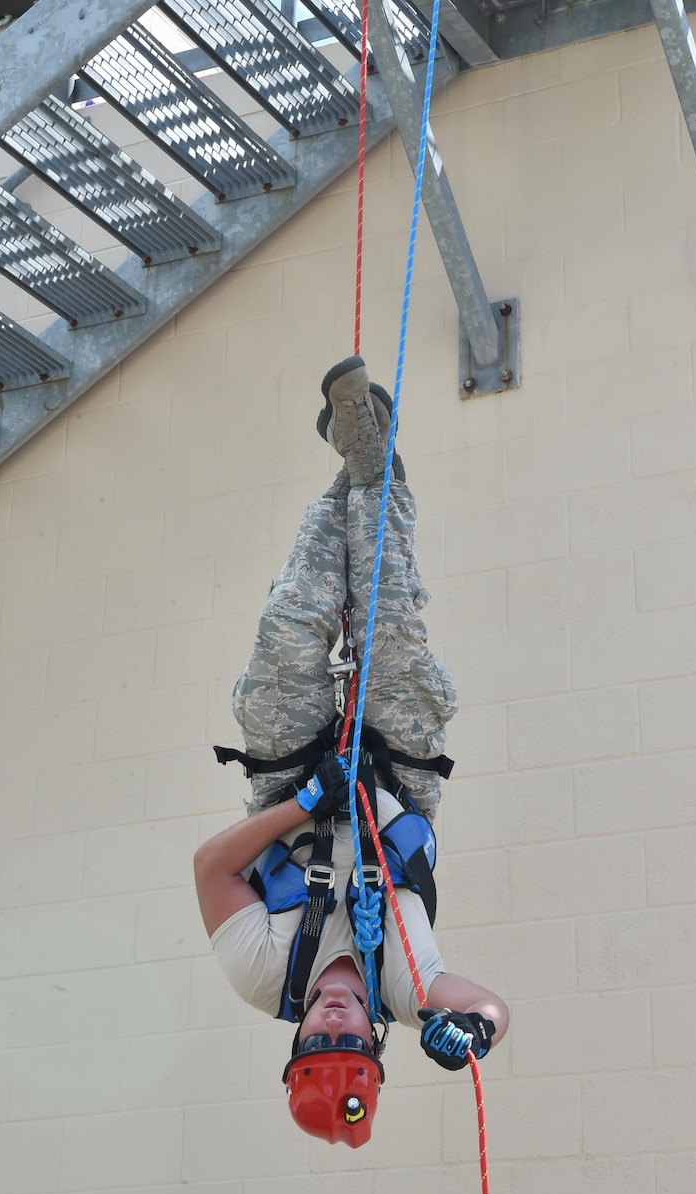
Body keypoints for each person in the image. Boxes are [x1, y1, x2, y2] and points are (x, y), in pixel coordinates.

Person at [193, 357, 509, 1148]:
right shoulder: (404, 989)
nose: (333, 1023)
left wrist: (305, 801)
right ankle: (368, 465)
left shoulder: (263, 975)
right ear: (373, 1042)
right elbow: (488, 1009)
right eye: (349, 1042)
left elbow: (211, 868)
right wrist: (470, 1034)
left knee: (292, 621)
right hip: (397, 781)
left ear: (296, 1043)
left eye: (317, 1041)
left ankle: (359, 469)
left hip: (288, 786)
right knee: (387, 612)